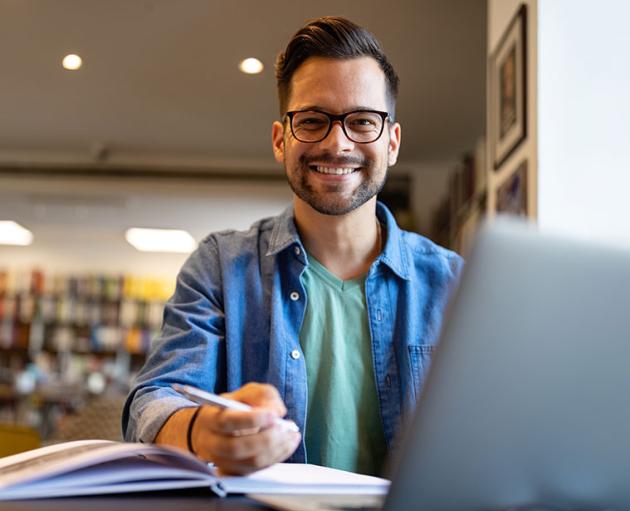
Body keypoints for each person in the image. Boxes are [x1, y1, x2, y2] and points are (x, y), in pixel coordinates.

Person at [122, 16, 463, 476]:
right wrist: (199, 429)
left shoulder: (456, 283)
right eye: (312, 120)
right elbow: (155, 398)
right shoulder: (221, 268)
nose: (337, 142)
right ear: (281, 140)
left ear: (393, 142)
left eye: (362, 121)